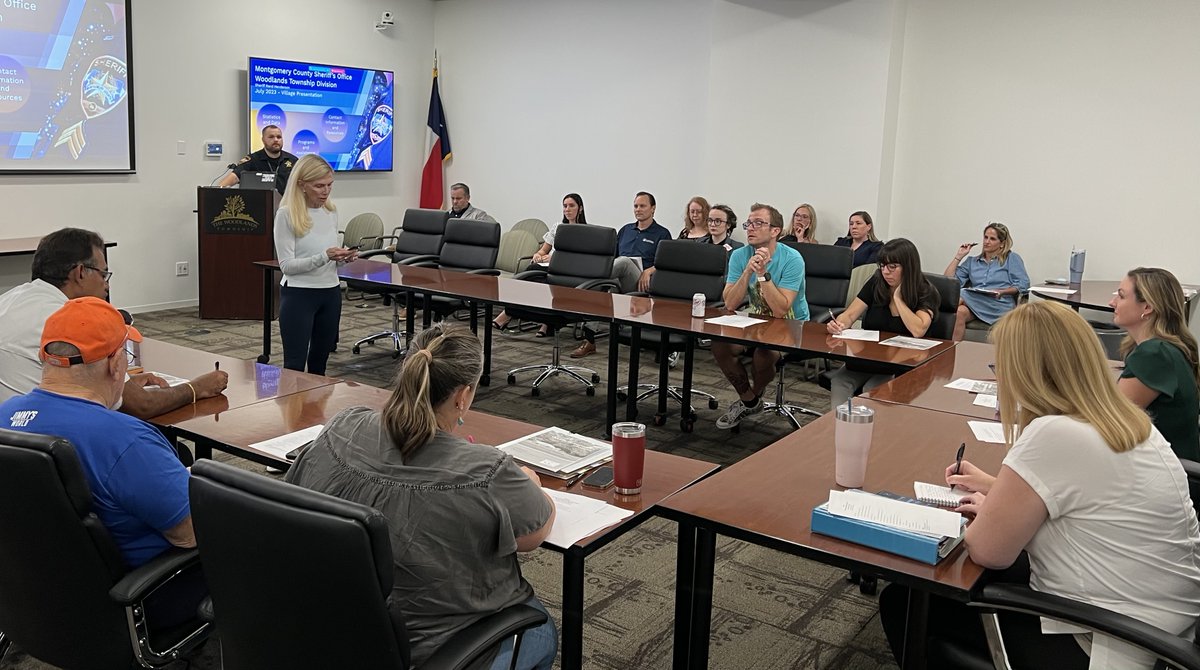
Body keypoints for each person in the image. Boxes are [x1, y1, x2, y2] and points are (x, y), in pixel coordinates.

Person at [880, 301, 1200, 669]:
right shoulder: (1128, 419)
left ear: (1025, 372)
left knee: (904, 601)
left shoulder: (1055, 432)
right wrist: (996, 495)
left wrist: (991, 514)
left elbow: (988, 550)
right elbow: (1082, 500)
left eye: (1001, 367)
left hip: (1110, 641)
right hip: (1168, 627)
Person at [287, 325, 558, 670]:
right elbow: (533, 534)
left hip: (329, 624)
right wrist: (532, 483)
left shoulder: (345, 424)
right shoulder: (488, 468)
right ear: (463, 396)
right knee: (540, 626)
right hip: (431, 649)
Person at [0, 297, 206, 626]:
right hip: (146, 595)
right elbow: (193, 534)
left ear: (44, 356)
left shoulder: (5, 417)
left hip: (34, 592)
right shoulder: (126, 440)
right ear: (114, 365)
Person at [0, 228, 228, 416]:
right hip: (56, 441)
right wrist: (197, 388)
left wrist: (118, 383)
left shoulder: (10, 299)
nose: (107, 286)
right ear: (80, 273)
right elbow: (141, 405)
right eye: (103, 275)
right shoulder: (66, 319)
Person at [712, 203, 810, 429]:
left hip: (792, 325)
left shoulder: (792, 259)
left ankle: (752, 396)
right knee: (720, 345)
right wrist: (748, 270)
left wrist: (763, 275)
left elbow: (780, 311)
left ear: (775, 230)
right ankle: (750, 400)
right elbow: (730, 302)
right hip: (756, 321)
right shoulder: (739, 255)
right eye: (749, 223)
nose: (750, 228)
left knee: (763, 354)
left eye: (758, 223)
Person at [826, 238, 939, 407]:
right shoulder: (877, 282)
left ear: (908, 267)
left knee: (874, 391)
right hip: (868, 358)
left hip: (901, 364)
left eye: (892, 267)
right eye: (882, 266)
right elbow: (849, 315)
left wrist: (898, 299)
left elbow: (918, 330)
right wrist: (838, 324)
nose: (885, 272)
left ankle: (868, 431)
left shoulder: (925, 290)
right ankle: (838, 428)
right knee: (840, 383)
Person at [274, 154, 357, 375]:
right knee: (294, 365)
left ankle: (314, 410)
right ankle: (292, 410)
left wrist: (342, 259)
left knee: (320, 363)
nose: (325, 191)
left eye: (330, 185)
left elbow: (329, 259)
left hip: (329, 293)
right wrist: (325, 256)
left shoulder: (330, 211)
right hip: (299, 295)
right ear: (301, 185)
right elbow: (287, 266)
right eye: (319, 186)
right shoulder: (286, 215)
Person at [1110, 267, 1200, 461]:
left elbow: (1111, 421)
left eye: (1121, 296)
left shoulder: (1154, 354)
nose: (1112, 302)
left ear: (1147, 307)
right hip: (1166, 465)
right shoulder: (1169, 347)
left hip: (1164, 472)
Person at [572, 192, 671, 358]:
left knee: (622, 263)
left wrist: (649, 270)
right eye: (635, 206)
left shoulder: (662, 233)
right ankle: (589, 341)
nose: (638, 209)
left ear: (653, 209)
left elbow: (666, 263)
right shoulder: (625, 230)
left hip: (641, 283)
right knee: (600, 289)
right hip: (616, 281)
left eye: (642, 206)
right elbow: (612, 257)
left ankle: (585, 282)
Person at [493, 193, 587, 334]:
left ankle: (510, 314)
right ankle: (540, 320)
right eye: (565, 206)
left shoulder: (585, 231)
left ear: (580, 208)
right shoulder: (558, 227)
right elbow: (544, 250)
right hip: (547, 266)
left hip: (566, 270)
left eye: (571, 206)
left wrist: (553, 259)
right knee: (530, 273)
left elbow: (578, 258)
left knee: (537, 278)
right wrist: (538, 255)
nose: (567, 209)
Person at [943, 222, 1030, 341]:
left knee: (963, 293)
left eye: (992, 239)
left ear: (1002, 243)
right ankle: (953, 352)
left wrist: (1003, 291)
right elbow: (949, 281)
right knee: (959, 312)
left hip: (999, 304)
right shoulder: (972, 261)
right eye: (985, 237)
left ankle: (931, 317)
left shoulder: (1011, 258)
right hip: (976, 304)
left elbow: (1023, 284)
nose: (987, 242)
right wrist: (959, 256)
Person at [217, 125, 299, 195]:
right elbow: (229, 181)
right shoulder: (252, 160)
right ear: (263, 140)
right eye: (271, 137)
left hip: (287, 208)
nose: (276, 140)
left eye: (279, 137)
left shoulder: (293, 160)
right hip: (260, 207)